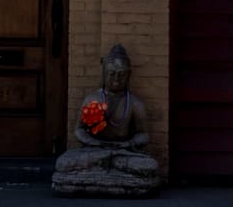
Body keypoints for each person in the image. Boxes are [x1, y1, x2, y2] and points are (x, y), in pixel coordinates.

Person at [52, 44, 159, 194]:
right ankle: (115, 175)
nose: (116, 80)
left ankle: (100, 174)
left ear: (129, 75)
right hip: (96, 150)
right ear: (104, 74)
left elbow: (144, 135)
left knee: (147, 166)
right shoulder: (93, 99)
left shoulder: (135, 103)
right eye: (112, 74)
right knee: (64, 163)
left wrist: (128, 143)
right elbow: (79, 131)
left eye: (121, 75)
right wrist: (94, 142)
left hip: (123, 151)